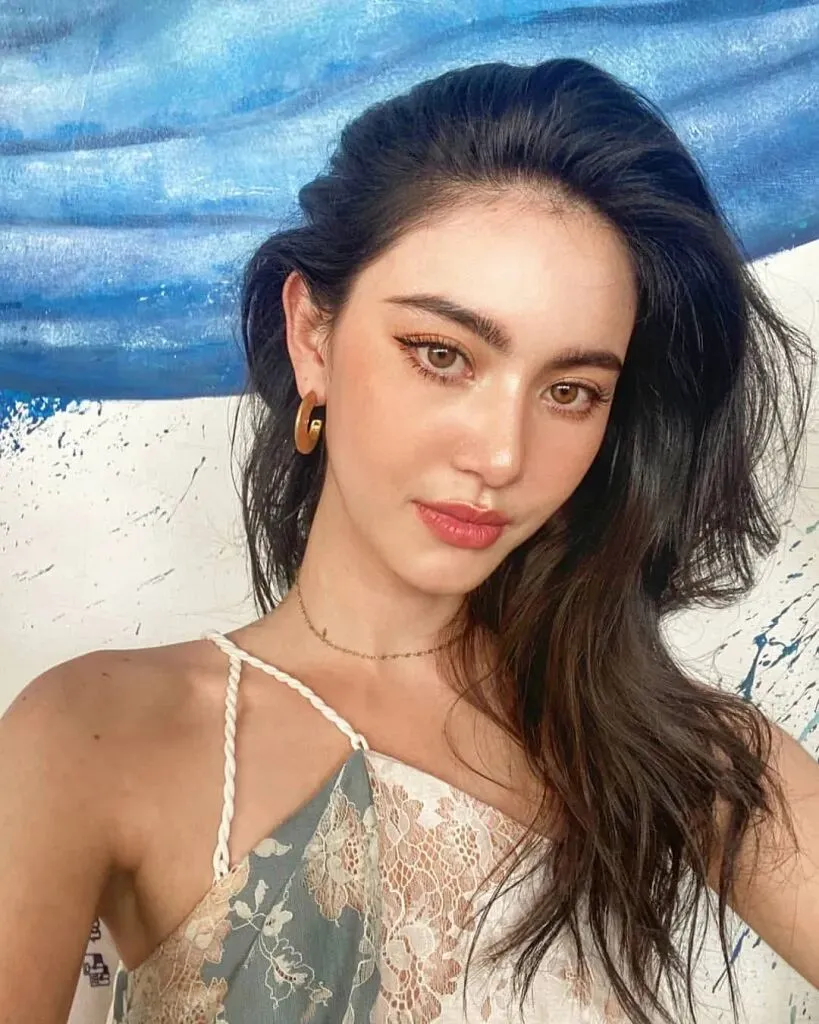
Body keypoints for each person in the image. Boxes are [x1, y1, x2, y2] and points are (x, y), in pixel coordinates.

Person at [0, 57, 816, 1024]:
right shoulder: (101, 732)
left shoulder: (680, 755)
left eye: (570, 391)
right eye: (442, 355)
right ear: (312, 336)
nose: (501, 455)